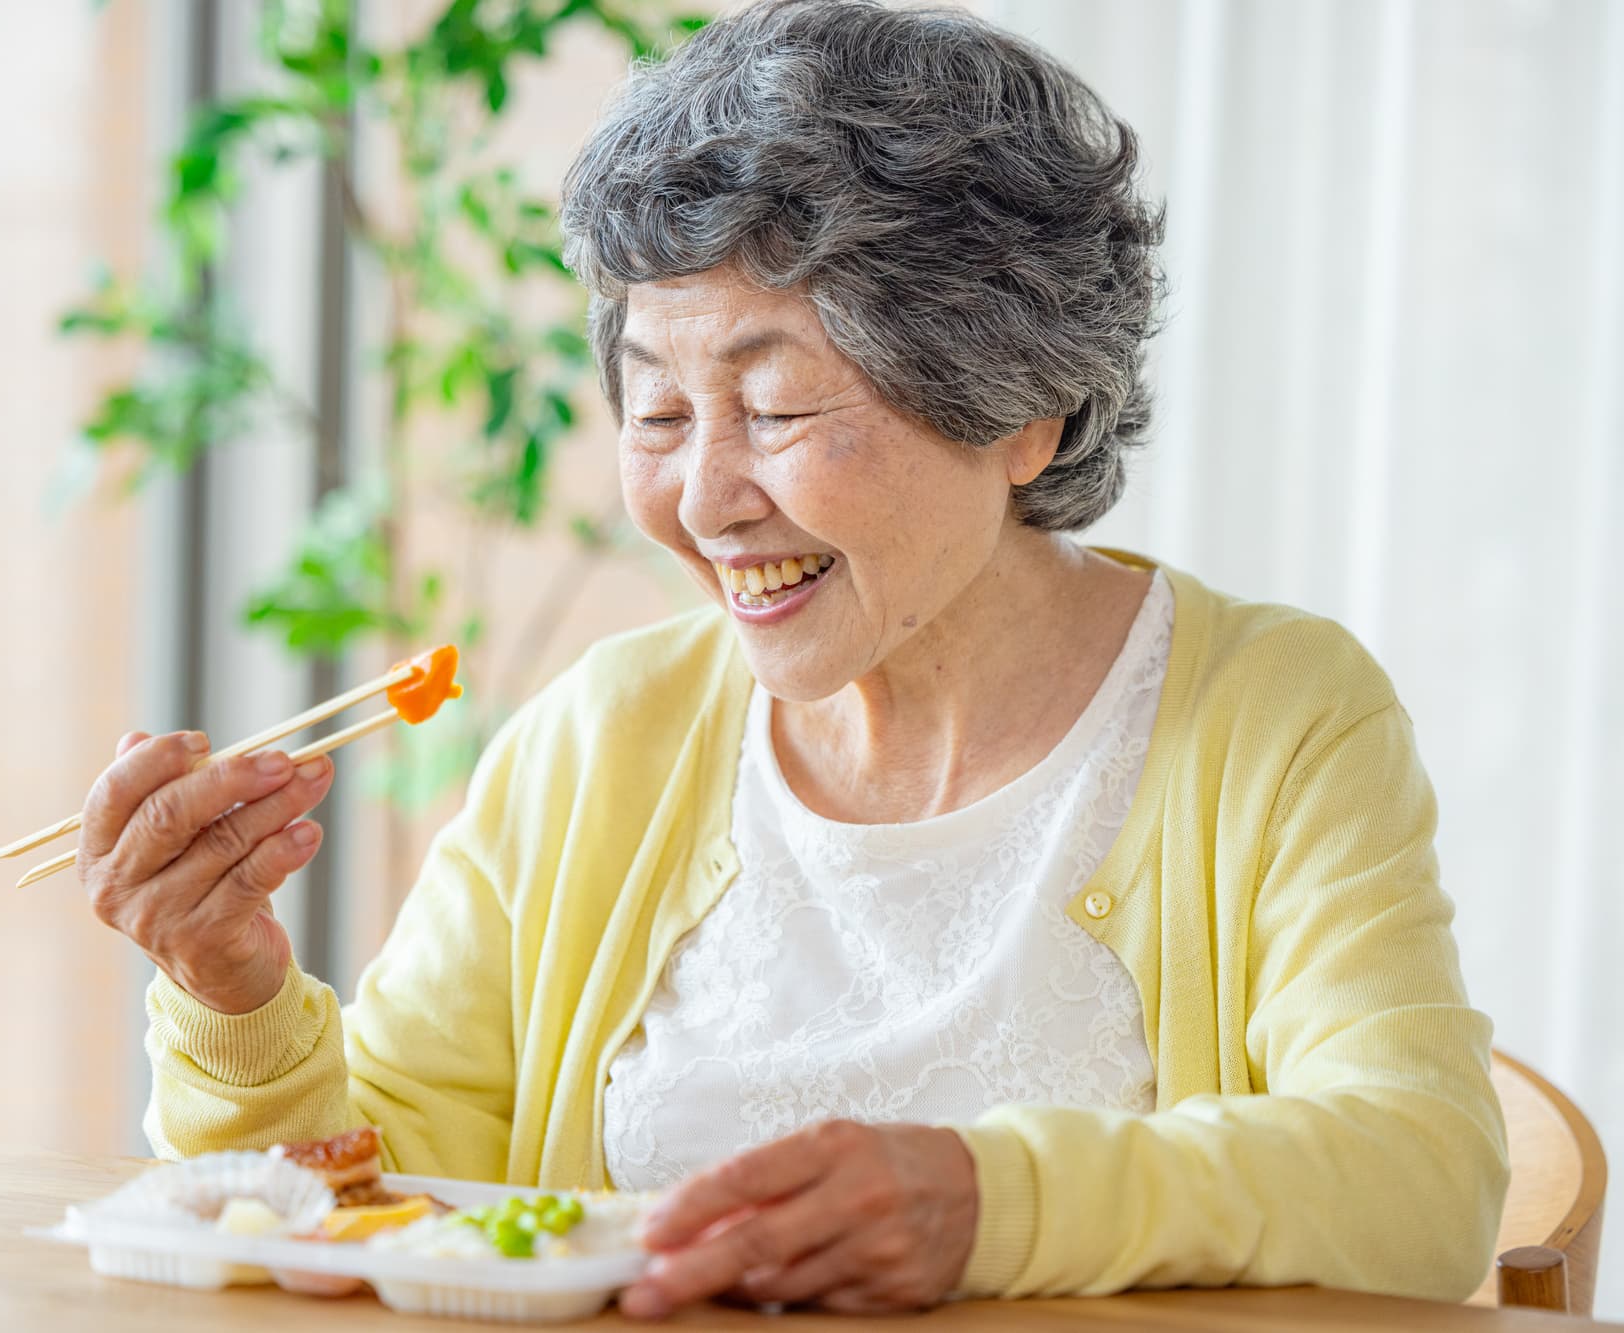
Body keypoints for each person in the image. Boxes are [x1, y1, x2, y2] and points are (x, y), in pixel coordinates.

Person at [76, 0, 1507, 1314]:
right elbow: (366, 1208)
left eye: (772, 408)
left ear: (1028, 410)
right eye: (654, 414)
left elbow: (1421, 1179)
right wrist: (236, 996)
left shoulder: (1276, 716)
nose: (702, 500)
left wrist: (993, 1202)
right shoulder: (604, 737)